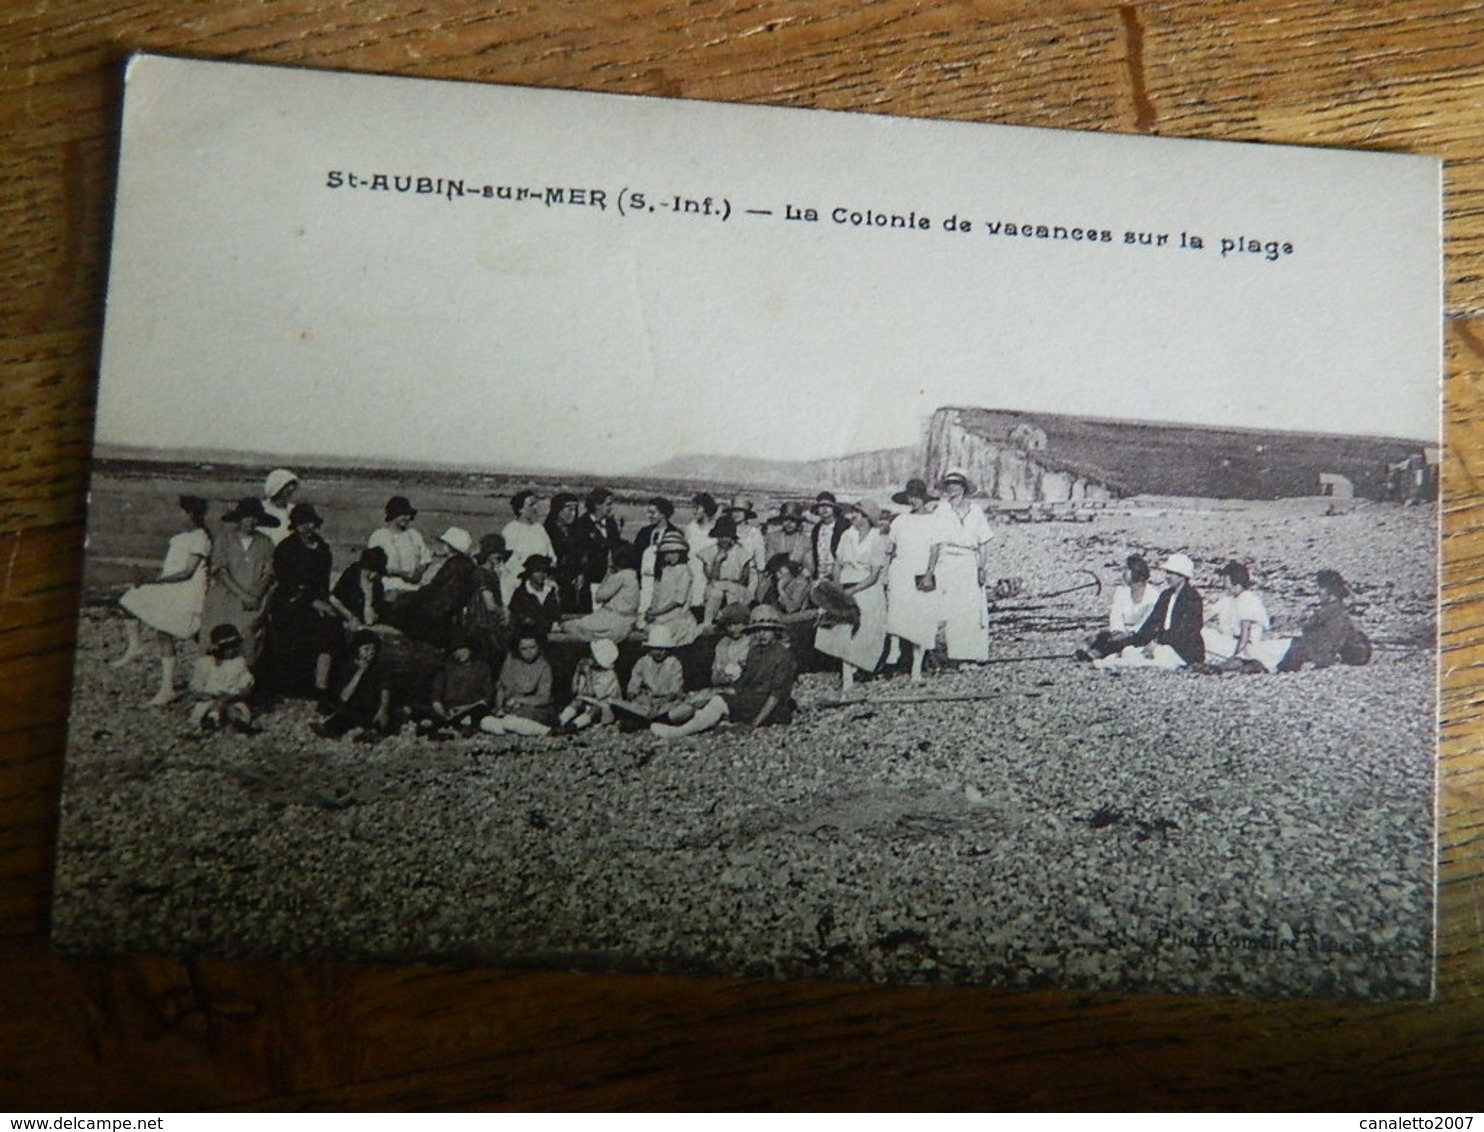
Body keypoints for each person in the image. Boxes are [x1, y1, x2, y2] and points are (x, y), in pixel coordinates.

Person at [111, 494, 214, 705]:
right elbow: (172, 567)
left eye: (182, 512)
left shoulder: (200, 538)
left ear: (191, 514)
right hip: (172, 588)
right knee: (130, 599)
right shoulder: (182, 537)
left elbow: (187, 573)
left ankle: (171, 687)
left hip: (187, 592)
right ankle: (137, 648)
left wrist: (154, 581)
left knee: (177, 633)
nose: (179, 516)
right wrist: (152, 580)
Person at [651, 605, 798, 737]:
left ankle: (679, 732)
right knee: (710, 700)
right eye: (758, 629)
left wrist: (754, 724)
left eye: (766, 629)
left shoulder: (783, 656)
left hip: (770, 710)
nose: (761, 634)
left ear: (776, 631)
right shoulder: (755, 652)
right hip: (751, 700)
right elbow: (744, 682)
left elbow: (775, 696)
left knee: (718, 702)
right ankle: (669, 721)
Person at [814, 500, 890, 694]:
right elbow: (838, 563)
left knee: (865, 616)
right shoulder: (847, 535)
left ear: (866, 518)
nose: (852, 516)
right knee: (839, 619)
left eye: (856, 513)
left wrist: (852, 590)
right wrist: (838, 587)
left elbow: (873, 576)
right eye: (853, 513)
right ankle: (846, 672)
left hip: (866, 585)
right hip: (846, 580)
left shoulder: (877, 539)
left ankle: (860, 666)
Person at [267, 503, 340, 699]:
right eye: (301, 524)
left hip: (316, 599)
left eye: (309, 523)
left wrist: (323, 602)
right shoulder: (286, 548)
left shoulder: (322, 548)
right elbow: (286, 582)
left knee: (332, 625)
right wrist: (312, 602)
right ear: (295, 526)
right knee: (302, 628)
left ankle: (321, 685)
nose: (307, 528)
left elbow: (323, 582)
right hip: (290, 602)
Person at [920, 469, 993, 663]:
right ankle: (957, 656)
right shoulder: (941, 511)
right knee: (952, 610)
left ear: (964, 488)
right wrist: (929, 571)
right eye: (950, 484)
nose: (953, 488)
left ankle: (973, 655)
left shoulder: (975, 510)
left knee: (971, 609)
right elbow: (934, 543)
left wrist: (982, 568)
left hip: (970, 561)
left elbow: (983, 542)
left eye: (957, 484)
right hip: (948, 562)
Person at [198, 496, 278, 670]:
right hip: (225, 597)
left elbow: (269, 573)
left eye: (255, 517)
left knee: (248, 637)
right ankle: (213, 681)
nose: (250, 521)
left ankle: (242, 682)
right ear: (239, 518)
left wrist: (255, 595)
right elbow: (220, 571)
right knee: (218, 636)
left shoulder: (266, 543)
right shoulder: (224, 539)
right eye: (247, 517)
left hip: (253, 599)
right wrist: (242, 594)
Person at [1094, 553, 1204, 670]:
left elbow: (1185, 630)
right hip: (1164, 643)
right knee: (1129, 651)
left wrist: (1157, 641)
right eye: (1167, 572)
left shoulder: (1192, 598)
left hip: (1184, 650)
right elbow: (1153, 623)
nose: (1167, 576)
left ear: (1182, 576)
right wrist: (1135, 638)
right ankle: (1111, 660)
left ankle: (1111, 664)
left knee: (1154, 656)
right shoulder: (1166, 595)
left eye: (1171, 573)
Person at [883, 478, 941, 684]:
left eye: (917, 497)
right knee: (897, 610)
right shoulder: (900, 521)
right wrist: (887, 570)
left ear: (924, 498)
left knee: (921, 618)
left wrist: (928, 573)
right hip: (901, 570)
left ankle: (917, 668)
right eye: (910, 497)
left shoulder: (933, 520)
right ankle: (894, 649)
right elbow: (891, 548)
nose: (914, 501)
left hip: (920, 571)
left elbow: (935, 549)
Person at [381, 527, 478, 648]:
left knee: (395, 609)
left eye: (444, 544)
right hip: (449, 610)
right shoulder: (467, 565)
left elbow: (434, 590)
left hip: (438, 612)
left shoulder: (452, 565)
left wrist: (408, 594)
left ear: (449, 546)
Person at [1276, 569, 1371, 671]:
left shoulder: (1335, 614)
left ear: (1331, 593)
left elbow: (1332, 641)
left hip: (1337, 657)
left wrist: (1317, 661)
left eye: (1321, 588)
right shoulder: (1331, 612)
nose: (1318, 592)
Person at [1201, 560, 1288, 671]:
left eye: (1227, 583)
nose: (1225, 587)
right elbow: (1205, 615)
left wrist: (1235, 657)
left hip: (1244, 647)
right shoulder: (1228, 599)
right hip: (1229, 642)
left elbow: (1245, 636)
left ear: (1237, 585)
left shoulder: (1248, 600)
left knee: (1204, 636)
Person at [312, 630, 393, 740]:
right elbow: (344, 697)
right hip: (353, 707)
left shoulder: (380, 667)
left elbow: (385, 688)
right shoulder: (347, 666)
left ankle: (372, 733)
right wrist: (360, 672)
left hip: (372, 707)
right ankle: (329, 730)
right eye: (366, 649)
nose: (370, 653)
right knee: (343, 717)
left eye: (373, 649)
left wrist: (383, 709)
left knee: (382, 721)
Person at [1078, 554, 1161, 661]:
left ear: (1136, 571)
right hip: (1121, 631)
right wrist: (1117, 631)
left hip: (1139, 635)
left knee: (1121, 642)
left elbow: (1147, 622)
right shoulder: (1121, 592)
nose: (1123, 573)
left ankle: (1095, 654)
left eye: (1127, 569)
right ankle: (1091, 649)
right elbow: (1116, 616)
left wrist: (1128, 634)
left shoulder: (1153, 596)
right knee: (1103, 636)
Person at [478, 631, 556, 736]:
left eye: (532, 647)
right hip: (511, 710)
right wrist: (499, 708)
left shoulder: (543, 666)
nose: (528, 652)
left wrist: (519, 701)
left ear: (539, 646)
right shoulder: (511, 661)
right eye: (524, 649)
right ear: (518, 649)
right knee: (485, 722)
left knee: (510, 721)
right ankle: (519, 730)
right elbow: (501, 687)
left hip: (535, 709)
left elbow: (544, 698)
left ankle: (545, 731)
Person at [561, 544, 640, 641]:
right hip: (624, 621)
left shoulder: (620, 576)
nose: (608, 558)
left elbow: (599, 596)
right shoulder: (632, 574)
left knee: (570, 625)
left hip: (613, 621)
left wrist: (608, 573)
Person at [188, 623, 257, 733]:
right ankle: (211, 720)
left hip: (232, 700)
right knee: (211, 707)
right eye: (227, 647)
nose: (232, 650)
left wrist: (235, 694)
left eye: (235, 646)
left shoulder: (239, 663)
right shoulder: (205, 663)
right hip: (209, 701)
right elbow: (196, 689)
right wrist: (213, 696)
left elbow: (246, 686)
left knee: (232, 708)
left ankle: (234, 723)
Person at [619, 624, 689, 724]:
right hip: (647, 700)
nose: (660, 652)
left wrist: (661, 702)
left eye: (663, 649)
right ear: (649, 648)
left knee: (682, 709)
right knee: (630, 707)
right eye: (656, 648)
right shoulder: (643, 662)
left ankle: (660, 720)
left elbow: (675, 690)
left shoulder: (674, 663)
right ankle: (644, 719)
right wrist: (633, 694)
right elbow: (634, 684)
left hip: (667, 701)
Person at [639, 530, 701, 646]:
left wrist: (657, 612)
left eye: (673, 553)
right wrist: (651, 609)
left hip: (676, 614)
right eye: (667, 553)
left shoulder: (684, 571)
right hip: (660, 612)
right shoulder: (665, 570)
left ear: (681, 552)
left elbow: (678, 601)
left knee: (661, 633)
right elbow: (657, 594)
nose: (670, 556)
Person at [499, 490, 556, 605]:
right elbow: (507, 562)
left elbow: (551, 556)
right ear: (520, 509)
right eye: (531, 505)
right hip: (516, 586)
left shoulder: (539, 529)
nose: (535, 508)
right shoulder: (510, 530)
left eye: (536, 504)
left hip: (540, 584)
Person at [368, 496, 434, 595]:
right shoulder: (379, 536)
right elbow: (372, 570)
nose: (407, 518)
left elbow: (425, 558)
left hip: (413, 587)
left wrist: (419, 572)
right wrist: (400, 574)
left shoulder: (414, 535)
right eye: (403, 514)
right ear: (393, 515)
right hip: (389, 588)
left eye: (409, 515)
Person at [427, 634, 494, 731]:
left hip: (472, 707)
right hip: (451, 709)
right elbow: (436, 693)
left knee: (478, 714)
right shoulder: (446, 669)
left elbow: (488, 694)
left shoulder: (481, 667)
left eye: (463, 649)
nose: (459, 653)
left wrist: (469, 707)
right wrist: (440, 709)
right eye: (456, 650)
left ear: (470, 649)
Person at [698, 516, 754, 627]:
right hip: (716, 586)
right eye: (721, 536)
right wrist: (717, 561)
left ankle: (734, 623)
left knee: (732, 593)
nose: (724, 539)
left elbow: (744, 578)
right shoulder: (709, 552)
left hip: (736, 586)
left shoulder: (741, 551)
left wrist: (730, 585)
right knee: (716, 593)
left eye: (727, 536)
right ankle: (707, 623)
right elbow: (711, 579)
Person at [570, 487, 624, 599]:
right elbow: (576, 552)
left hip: (609, 577)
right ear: (597, 505)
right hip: (589, 578)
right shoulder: (581, 524)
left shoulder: (611, 523)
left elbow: (616, 546)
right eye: (608, 504)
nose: (611, 508)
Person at [558, 639, 622, 731]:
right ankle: (561, 721)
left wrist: (587, 675)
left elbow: (592, 694)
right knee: (577, 701)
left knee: (594, 709)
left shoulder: (609, 675)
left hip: (605, 705)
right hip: (589, 701)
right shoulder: (589, 668)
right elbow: (574, 690)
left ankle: (575, 725)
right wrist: (577, 671)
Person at [634, 498, 683, 619]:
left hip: (663, 581)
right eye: (648, 512)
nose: (649, 516)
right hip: (644, 580)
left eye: (652, 512)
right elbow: (635, 556)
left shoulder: (675, 533)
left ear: (663, 514)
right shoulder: (644, 532)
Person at [466, 533, 512, 661]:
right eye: (495, 552)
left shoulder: (491, 573)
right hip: (484, 627)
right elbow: (490, 605)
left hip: (486, 625)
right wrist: (503, 613)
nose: (499, 556)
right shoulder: (483, 574)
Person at [330, 546, 388, 633]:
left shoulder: (377, 586)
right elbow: (334, 599)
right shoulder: (351, 574)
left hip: (362, 623)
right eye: (366, 569)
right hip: (344, 616)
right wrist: (350, 616)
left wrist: (368, 599)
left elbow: (369, 621)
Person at [543, 492, 585, 612]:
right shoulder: (547, 531)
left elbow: (580, 555)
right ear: (558, 510)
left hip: (573, 581)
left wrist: (580, 573)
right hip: (554, 578)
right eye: (569, 509)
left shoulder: (576, 531)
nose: (573, 513)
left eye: (575, 509)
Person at [507, 553, 563, 640]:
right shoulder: (521, 594)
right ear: (529, 573)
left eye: (544, 571)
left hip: (552, 639)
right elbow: (520, 620)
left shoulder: (551, 592)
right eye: (537, 571)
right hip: (526, 640)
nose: (541, 575)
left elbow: (556, 615)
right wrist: (547, 626)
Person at [684, 493, 720, 615]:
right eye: (693, 508)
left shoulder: (715, 529)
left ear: (706, 508)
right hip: (690, 573)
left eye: (697, 508)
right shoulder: (691, 528)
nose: (694, 511)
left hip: (707, 574)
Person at [809, 492, 850, 580]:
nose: (824, 509)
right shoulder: (816, 529)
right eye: (821, 506)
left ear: (834, 508)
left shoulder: (844, 526)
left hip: (840, 574)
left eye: (828, 505)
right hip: (820, 574)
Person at [710, 603, 753, 685]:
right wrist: (722, 678)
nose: (733, 629)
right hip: (723, 687)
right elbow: (714, 677)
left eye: (737, 624)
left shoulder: (751, 642)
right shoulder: (722, 643)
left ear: (745, 622)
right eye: (729, 625)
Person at [763, 553, 812, 617]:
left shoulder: (799, 581)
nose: (779, 575)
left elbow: (793, 606)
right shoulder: (775, 585)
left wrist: (781, 589)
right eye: (776, 573)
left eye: (779, 571)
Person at [260, 469, 299, 545]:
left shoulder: (295, 510)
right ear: (277, 488)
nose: (291, 489)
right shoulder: (261, 509)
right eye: (286, 485)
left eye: (292, 485)